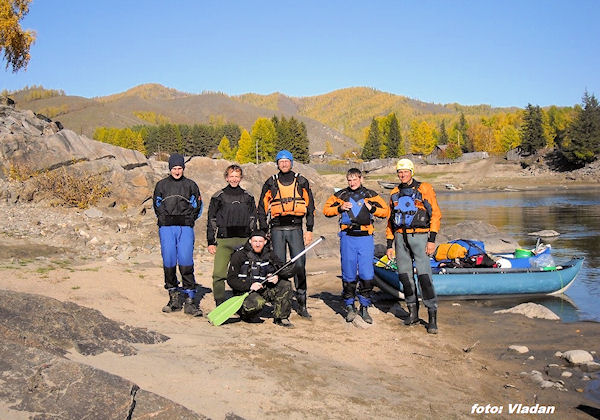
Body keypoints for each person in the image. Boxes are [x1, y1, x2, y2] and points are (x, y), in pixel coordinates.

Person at [323, 168, 389, 323]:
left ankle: (364, 307)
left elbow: (385, 211)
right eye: (349, 180)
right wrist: (340, 208)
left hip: (365, 238)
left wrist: (372, 208)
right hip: (347, 238)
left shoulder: (370, 194)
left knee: (367, 274)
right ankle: (350, 306)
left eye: (355, 179)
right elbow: (326, 210)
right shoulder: (341, 195)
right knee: (349, 274)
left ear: (361, 179)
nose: (352, 183)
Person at [385, 158, 442, 334]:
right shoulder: (394, 193)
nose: (402, 174)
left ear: (411, 172)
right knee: (405, 277)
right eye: (399, 172)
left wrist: (432, 240)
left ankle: (432, 318)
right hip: (400, 238)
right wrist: (389, 244)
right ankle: (413, 313)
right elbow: (389, 220)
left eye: (405, 171)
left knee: (425, 277)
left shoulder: (424, 188)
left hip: (420, 237)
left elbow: (436, 214)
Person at [258, 150, 315, 319]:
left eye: (286, 161)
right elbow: (262, 208)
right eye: (280, 161)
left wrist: (309, 229)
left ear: (291, 163)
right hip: (276, 229)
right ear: (277, 163)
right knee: (279, 267)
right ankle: (280, 303)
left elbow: (310, 207)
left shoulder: (301, 181)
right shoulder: (271, 183)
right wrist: (263, 230)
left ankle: (302, 301)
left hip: (296, 229)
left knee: (299, 265)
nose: (284, 164)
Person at [153, 153, 203, 316]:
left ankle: (190, 299)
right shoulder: (161, 185)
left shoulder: (191, 185)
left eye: (180, 168)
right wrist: (164, 218)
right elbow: (157, 204)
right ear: (169, 169)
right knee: (168, 261)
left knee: (185, 261)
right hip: (167, 227)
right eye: (174, 168)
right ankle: (173, 297)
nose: (177, 171)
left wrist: (188, 219)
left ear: (183, 168)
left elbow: (199, 206)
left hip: (185, 227)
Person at [207, 164, 257, 306]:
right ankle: (220, 301)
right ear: (226, 178)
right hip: (224, 241)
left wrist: (254, 240)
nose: (234, 179)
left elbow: (254, 219)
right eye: (231, 176)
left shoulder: (248, 196)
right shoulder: (218, 196)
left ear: (241, 178)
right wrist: (211, 241)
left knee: (244, 274)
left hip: (244, 241)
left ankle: (244, 301)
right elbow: (211, 220)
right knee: (219, 274)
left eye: (237, 176)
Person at [227, 230, 295, 327]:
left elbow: (281, 269)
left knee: (285, 284)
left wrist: (277, 277)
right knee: (257, 303)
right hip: (245, 292)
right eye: (255, 241)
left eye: (260, 241)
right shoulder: (239, 255)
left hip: (263, 289)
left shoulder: (270, 254)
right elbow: (231, 279)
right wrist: (249, 286)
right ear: (250, 241)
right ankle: (244, 313)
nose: (258, 244)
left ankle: (281, 317)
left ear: (265, 242)